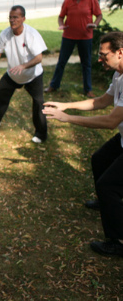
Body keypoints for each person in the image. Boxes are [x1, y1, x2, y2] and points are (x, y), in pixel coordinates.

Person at [43, 32, 123, 258]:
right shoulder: (119, 75)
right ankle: (107, 202)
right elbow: (100, 102)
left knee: (109, 185)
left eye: (103, 54)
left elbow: (110, 122)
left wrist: (67, 119)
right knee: (100, 159)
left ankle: (117, 241)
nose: (100, 59)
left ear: (120, 52)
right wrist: (65, 105)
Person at [0, 6, 48, 144]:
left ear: (23, 19)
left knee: (39, 103)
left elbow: (39, 58)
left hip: (33, 75)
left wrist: (24, 66)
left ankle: (41, 134)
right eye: (10, 17)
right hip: (13, 74)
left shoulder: (31, 34)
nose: (12, 20)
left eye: (16, 17)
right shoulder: (5, 34)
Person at [45, 0, 102, 97]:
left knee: (86, 64)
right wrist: (61, 25)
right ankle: (53, 85)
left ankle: (88, 89)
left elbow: (99, 15)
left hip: (85, 37)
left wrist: (95, 24)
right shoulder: (68, 0)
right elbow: (61, 17)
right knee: (61, 62)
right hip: (68, 36)